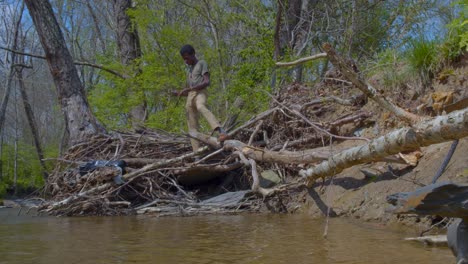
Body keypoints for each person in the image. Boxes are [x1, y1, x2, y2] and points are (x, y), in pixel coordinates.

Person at [173, 44, 228, 152]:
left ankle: (221, 131)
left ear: (193, 54)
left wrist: (190, 89)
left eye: (187, 58)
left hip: (200, 93)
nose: (185, 61)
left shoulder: (201, 63)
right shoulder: (189, 71)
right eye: (184, 59)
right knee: (192, 128)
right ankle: (196, 153)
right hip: (190, 98)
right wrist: (179, 93)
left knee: (200, 106)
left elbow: (206, 82)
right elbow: (189, 90)